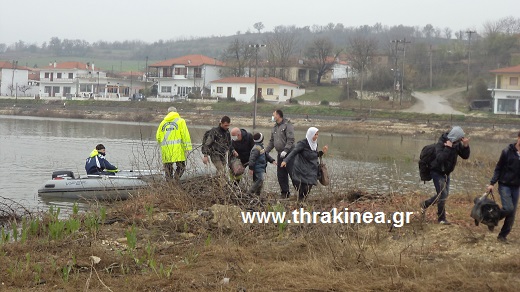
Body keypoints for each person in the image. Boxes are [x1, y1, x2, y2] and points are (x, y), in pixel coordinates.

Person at [420, 126, 470, 225]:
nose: (461, 140)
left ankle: (425, 204)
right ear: (455, 136)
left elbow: (465, 156)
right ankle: (441, 219)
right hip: (437, 172)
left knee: (444, 194)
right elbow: (440, 159)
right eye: (460, 138)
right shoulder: (441, 142)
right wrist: (448, 147)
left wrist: (465, 146)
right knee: (442, 194)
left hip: (446, 173)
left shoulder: (456, 144)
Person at [486, 131, 520, 243]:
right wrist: (492, 183)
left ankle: (502, 236)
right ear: (518, 138)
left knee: (512, 213)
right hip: (504, 184)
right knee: (508, 208)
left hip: (516, 186)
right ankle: (491, 219)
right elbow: (498, 168)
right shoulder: (507, 151)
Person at [281, 127, 328, 201]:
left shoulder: (315, 144)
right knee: (302, 190)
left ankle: (302, 202)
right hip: (302, 170)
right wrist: (285, 161)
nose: (316, 136)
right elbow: (293, 152)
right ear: (310, 134)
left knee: (308, 189)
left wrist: (322, 152)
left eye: (317, 134)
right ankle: (300, 204)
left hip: (311, 170)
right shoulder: (302, 143)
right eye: (315, 134)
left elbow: (314, 155)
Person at [265, 109, 295, 199]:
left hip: (289, 154)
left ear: (278, 115)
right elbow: (271, 141)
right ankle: (285, 193)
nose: (273, 116)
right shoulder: (274, 127)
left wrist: (286, 150)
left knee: (293, 174)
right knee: (281, 175)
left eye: (273, 114)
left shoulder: (287, 125)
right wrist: (266, 151)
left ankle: (301, 193)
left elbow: (291, 140)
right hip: (280, 154)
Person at [156, 106, 192, 180]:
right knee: (181, 166)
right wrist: (187, 147)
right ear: (176, 112)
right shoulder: (181, 121)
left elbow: (158, 137)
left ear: (168, 113)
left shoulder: (162, 123)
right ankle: (176, 180)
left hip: (166, 150)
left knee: (168, 168)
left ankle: (169, 184)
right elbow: (185, 135)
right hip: (178, 149)